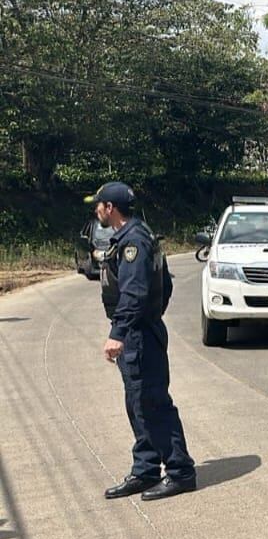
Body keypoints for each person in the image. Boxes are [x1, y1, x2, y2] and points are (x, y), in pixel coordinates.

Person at [85, 182, 197, 501]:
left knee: (153, 404)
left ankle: (180, 472)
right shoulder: (136, 235)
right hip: (141, 331)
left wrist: (120, 332)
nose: (97, 209)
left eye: (100, 205)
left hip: (138, 335)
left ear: (110, 208)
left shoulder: (133, 241)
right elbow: (166, 286)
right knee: (138, 404)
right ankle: (146, 469)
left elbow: (135, 292)